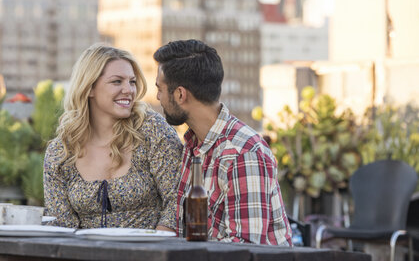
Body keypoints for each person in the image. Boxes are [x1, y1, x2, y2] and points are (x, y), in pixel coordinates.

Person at [153, 39, 292, 245]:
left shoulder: (244, 153)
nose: (157, 97)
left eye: (160, 89)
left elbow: (246, 247)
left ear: (180, 94)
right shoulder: (194, 145)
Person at [44, 44, 182, 231]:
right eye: (117, 81)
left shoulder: (152, 130)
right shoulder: (61, 152)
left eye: (132, 82)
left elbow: (179, 201)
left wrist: (153, 249)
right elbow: (59, 224)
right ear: (89, 88)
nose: (129, 90)